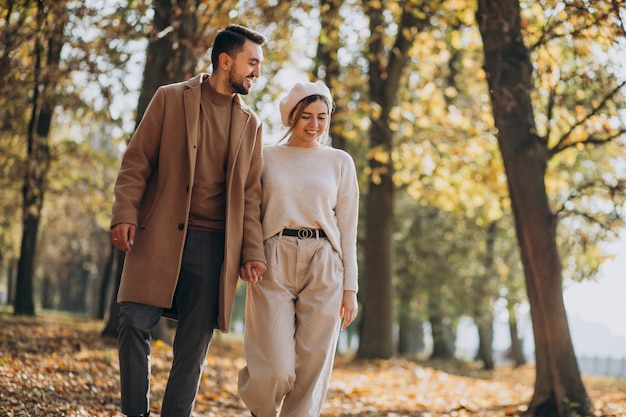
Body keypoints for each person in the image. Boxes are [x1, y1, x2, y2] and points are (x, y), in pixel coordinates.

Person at [110, 24, 268, 417]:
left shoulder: (251, 125)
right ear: (225, 60)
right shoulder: (169, 98)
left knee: (193, 346)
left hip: (214, 246)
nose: (257, 73)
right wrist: (124, 213)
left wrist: (252, 251)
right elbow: (137, 162)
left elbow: (250, 196)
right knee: (133, 321)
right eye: (252, 63)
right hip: (157, 233)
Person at [237, 81, 360, 417]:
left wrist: (351, 288)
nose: (315, 125)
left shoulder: (340, 162)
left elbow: (348, 229)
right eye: (306, 116)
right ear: (291, 116)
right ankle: (261, 410)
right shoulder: (265, 156)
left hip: (324, 262)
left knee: (312, 367)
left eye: (322, 117)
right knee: (274, 368)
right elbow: (248, 212)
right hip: (272, 257)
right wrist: (249, 255)